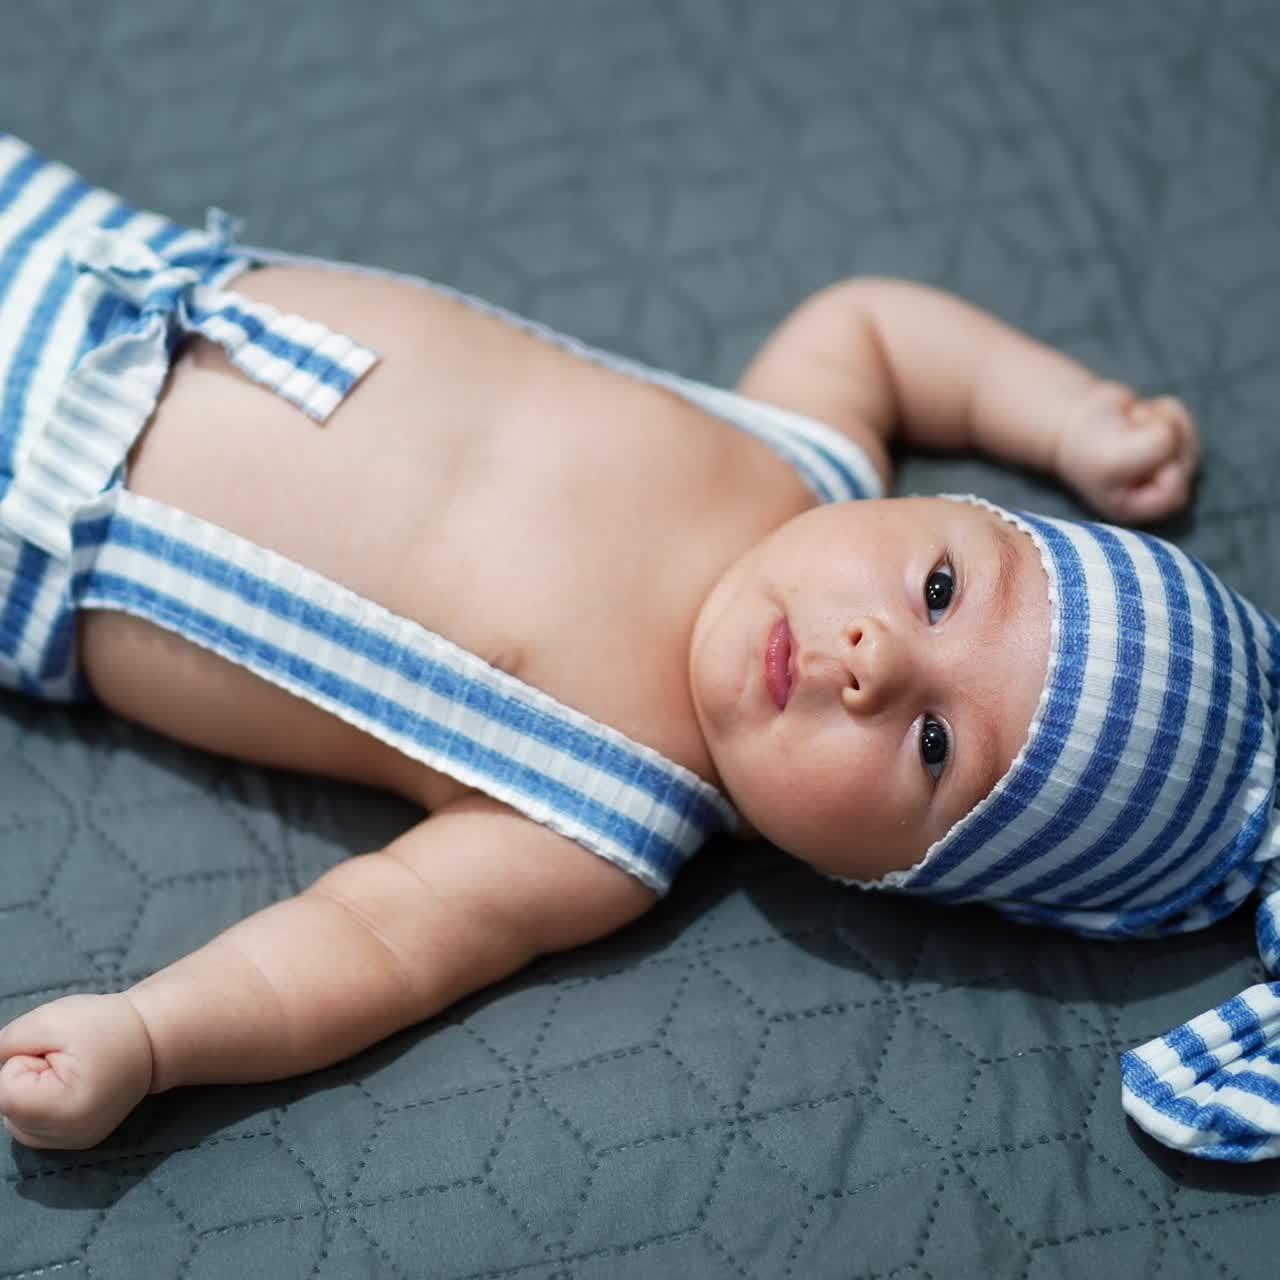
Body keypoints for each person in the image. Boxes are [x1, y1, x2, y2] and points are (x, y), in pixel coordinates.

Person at [0, 134, 1274, 1164]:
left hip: (31, 529)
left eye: (935, 746)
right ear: (941, 519)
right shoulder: (802, 458)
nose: (869, 659)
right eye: (938, 586)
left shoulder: (605, 813)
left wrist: (151, 1038)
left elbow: (370, 941)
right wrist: (1066, 416)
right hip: (101, 257)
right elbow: (875, 325)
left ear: (895, 878)